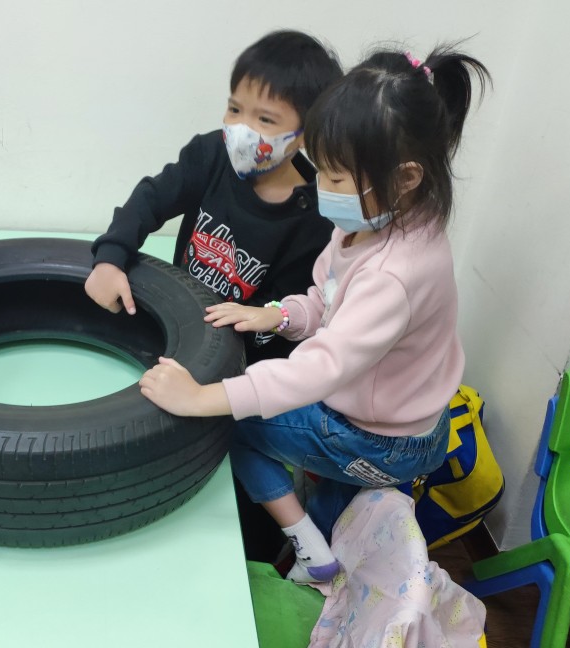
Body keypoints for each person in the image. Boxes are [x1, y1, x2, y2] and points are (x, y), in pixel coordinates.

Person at [138, 45, 490, 583]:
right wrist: (277, 315)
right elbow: (327, 302)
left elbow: (320, 367)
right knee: (340, 536)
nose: (322, 188)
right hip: (400, 418)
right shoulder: (378, 220)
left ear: (407, 176)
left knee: (230, 427)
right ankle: (319, 552)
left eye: (338, 178)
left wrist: (203, 399)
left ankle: (304, 543)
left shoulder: (394, 272)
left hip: (378, 438)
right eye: (321, 169)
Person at [85, 30, 342, 366]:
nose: (241, 130)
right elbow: (151, 199)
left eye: (265, 119)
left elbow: (283, 311)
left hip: (245, 360)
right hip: (178, 323)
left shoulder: (316, 219)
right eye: (235, 109)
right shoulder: (210, 154)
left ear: (307, 133)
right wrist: (110, 257)